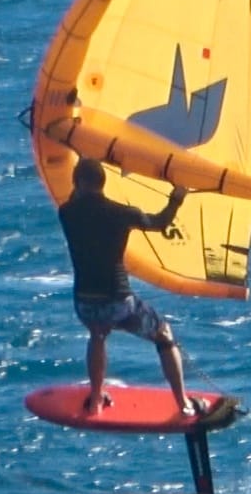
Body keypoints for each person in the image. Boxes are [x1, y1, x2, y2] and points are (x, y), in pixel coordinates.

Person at [57, 157, 206, 417]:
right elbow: (160, 222)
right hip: (118, 302)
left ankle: (94, 400)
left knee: (98, 334)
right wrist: (178, 196)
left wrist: (82, 160)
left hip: (85, 303)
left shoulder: (66, 213)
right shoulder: (122, 214)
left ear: (78, 182)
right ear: (103, 183)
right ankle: (182, 403)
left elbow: (75, 197)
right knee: (164, 334)